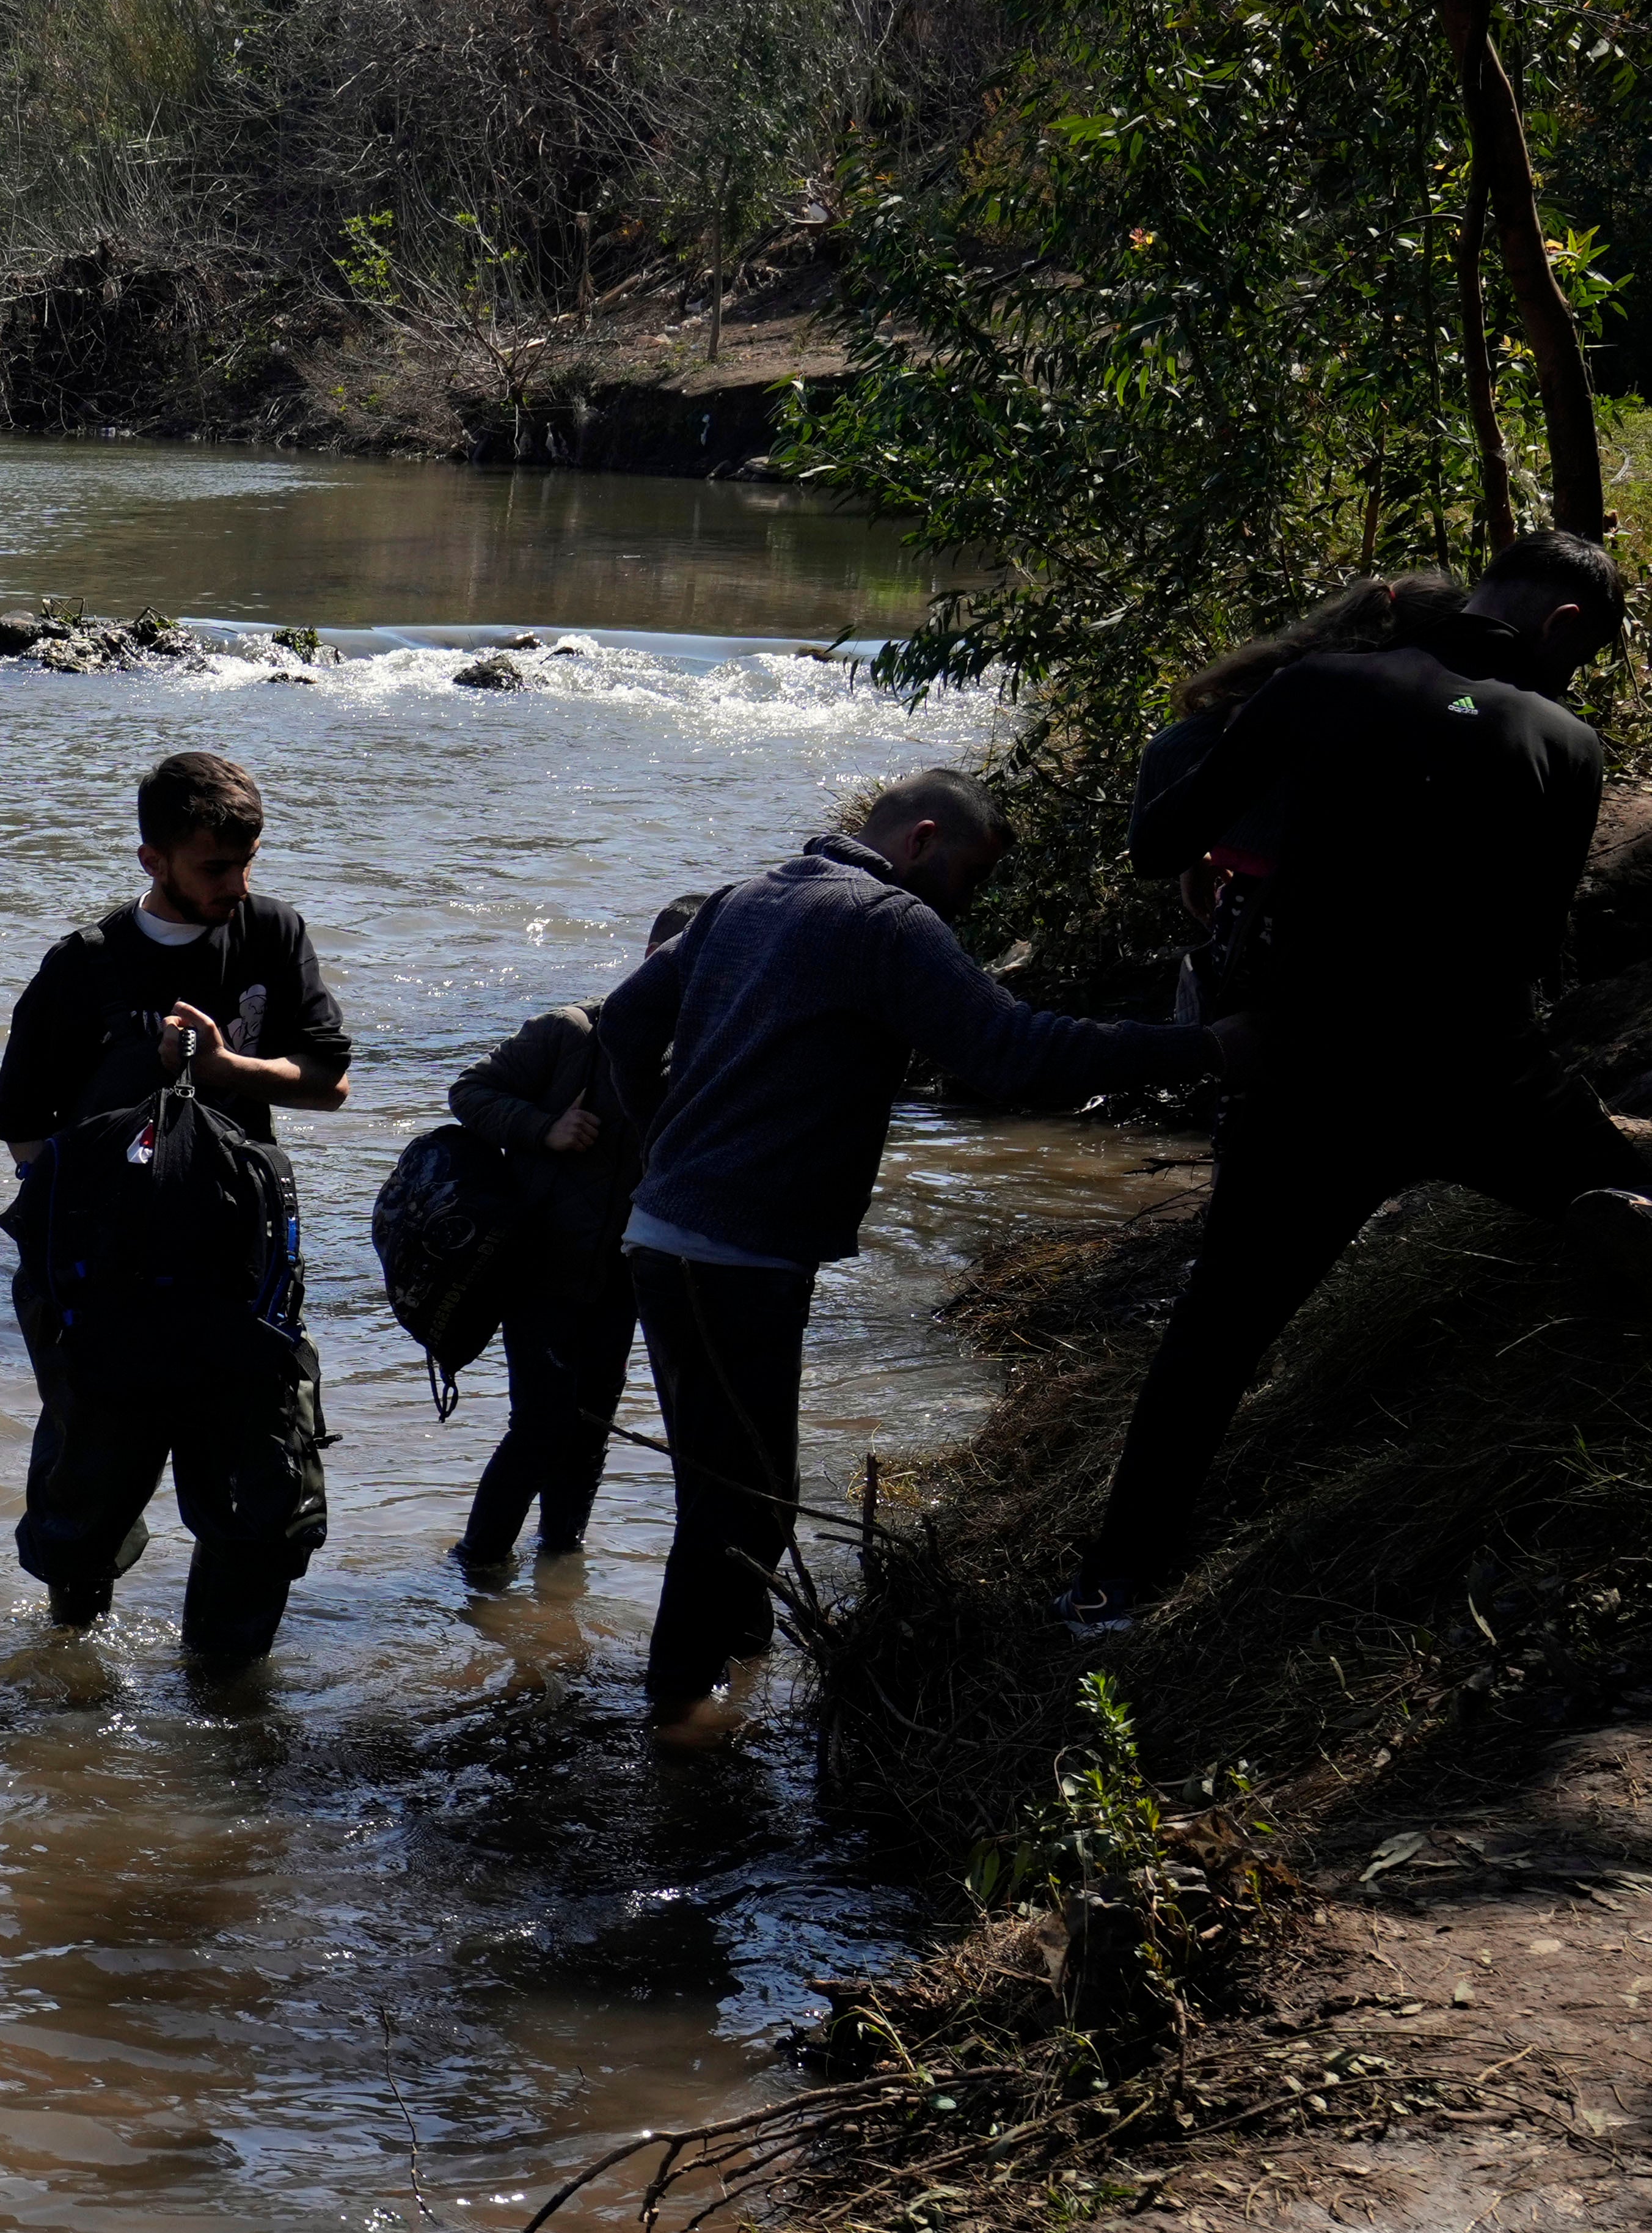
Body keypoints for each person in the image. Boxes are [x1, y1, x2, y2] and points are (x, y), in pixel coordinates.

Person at [1075, 531, 1652, 1613]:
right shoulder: (1567, 741)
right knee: (1625, 1195)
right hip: (1485, 1075)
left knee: (1217, 1336)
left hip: (1313, 1071)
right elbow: (1540, 949)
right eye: (1576, 657)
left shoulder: (1319, 684)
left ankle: (1111, 1589)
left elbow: (1159, 847)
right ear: (1563, 625)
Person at [595, 769, 1217, 1747]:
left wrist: (662, 1143)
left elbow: (626, 1024)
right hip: (727, 1253)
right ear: (923, 839)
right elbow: (1015, 1054)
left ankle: (739, 1677)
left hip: (688, 1240)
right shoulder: (886, 921)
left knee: (746, 1488)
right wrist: (1205, 1047)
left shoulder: (743, 898)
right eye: (970, 876)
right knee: (738, 1504)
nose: (968, 904)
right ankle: (678, 1726)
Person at [0, 751, 355, 1658]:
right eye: (215, 867)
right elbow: (23, 1131)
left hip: (241, 1276)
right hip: (106, 1286)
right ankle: (71, 1678)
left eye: (248, 862)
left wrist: (229, 1070)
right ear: (152, 859)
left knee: (263, 1505)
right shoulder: (84, 966)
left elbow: (328, 1083)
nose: (238, 885)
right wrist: (112, 1196)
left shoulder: (272, 933)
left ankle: (226, 1699)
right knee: (85, 1503)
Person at [447, 892, 711, 1569]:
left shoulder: (697, 1058)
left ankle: (560, 1567)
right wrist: (545, 1128)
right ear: (652, 961)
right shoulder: (571, 1031)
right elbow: (469, 1092)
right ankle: (478, 1562)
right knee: (541, 1427)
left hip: (623, 1280)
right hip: (538, 1268)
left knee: (591, 1430)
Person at [1127, 574, 1455, 1023]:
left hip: (1255, 926)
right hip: (1359, 937)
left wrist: (1196, 847)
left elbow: (1167, 751)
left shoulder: (1284, 689)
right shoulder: (1421, 705)